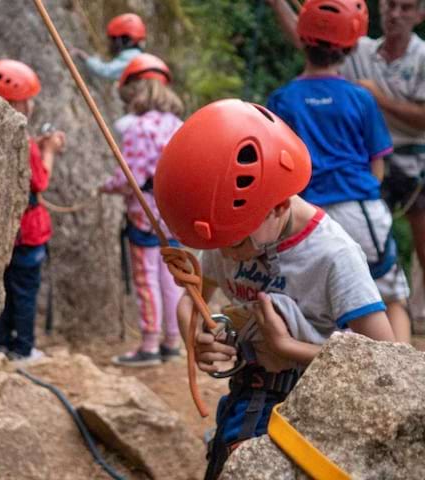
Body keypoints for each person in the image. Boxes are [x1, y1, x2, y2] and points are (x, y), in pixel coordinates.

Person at [152, 99, 396, 479]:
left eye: (235, 243)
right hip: (251, 391)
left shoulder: (333, 256)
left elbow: (386, 363)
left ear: (278, 206)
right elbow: (191, 298)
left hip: (322, 402)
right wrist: (196, 333)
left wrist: (288, 349)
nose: (226, 252)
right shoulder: (233, 234)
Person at [267, 0, 425, 339]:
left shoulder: (282, 99)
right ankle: (400, 380)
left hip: (307, 214)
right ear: (352, 47)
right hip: (360, 208)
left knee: (316, 303)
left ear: (301, 38)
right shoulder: (360, 97)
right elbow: (376, 165)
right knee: (392, 297)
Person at [101, 54, 185, 367]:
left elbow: (131, 178)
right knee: (171, 276)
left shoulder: (139, 128)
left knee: (145, 275)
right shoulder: (179, 126)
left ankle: (149, 344)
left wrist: (106, 186)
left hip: (145, 212)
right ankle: (171, 342)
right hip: (174, 212)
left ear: (136, 91)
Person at [0, 60, 66, 362]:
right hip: (28, 231)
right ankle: (24, 348)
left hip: (2, 232)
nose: (30, 104)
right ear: (13, 103)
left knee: (3, 289)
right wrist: (49, 152)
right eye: (25, 99)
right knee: (25, 292)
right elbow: (39, 180)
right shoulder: (23, 142)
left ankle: (3, 343)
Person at [72, 13, 146, 81]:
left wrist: (84, 57)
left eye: (112, 39)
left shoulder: (131, 59)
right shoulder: (139, 57)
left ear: (123, 41)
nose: (110, 44)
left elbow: (105, 71)